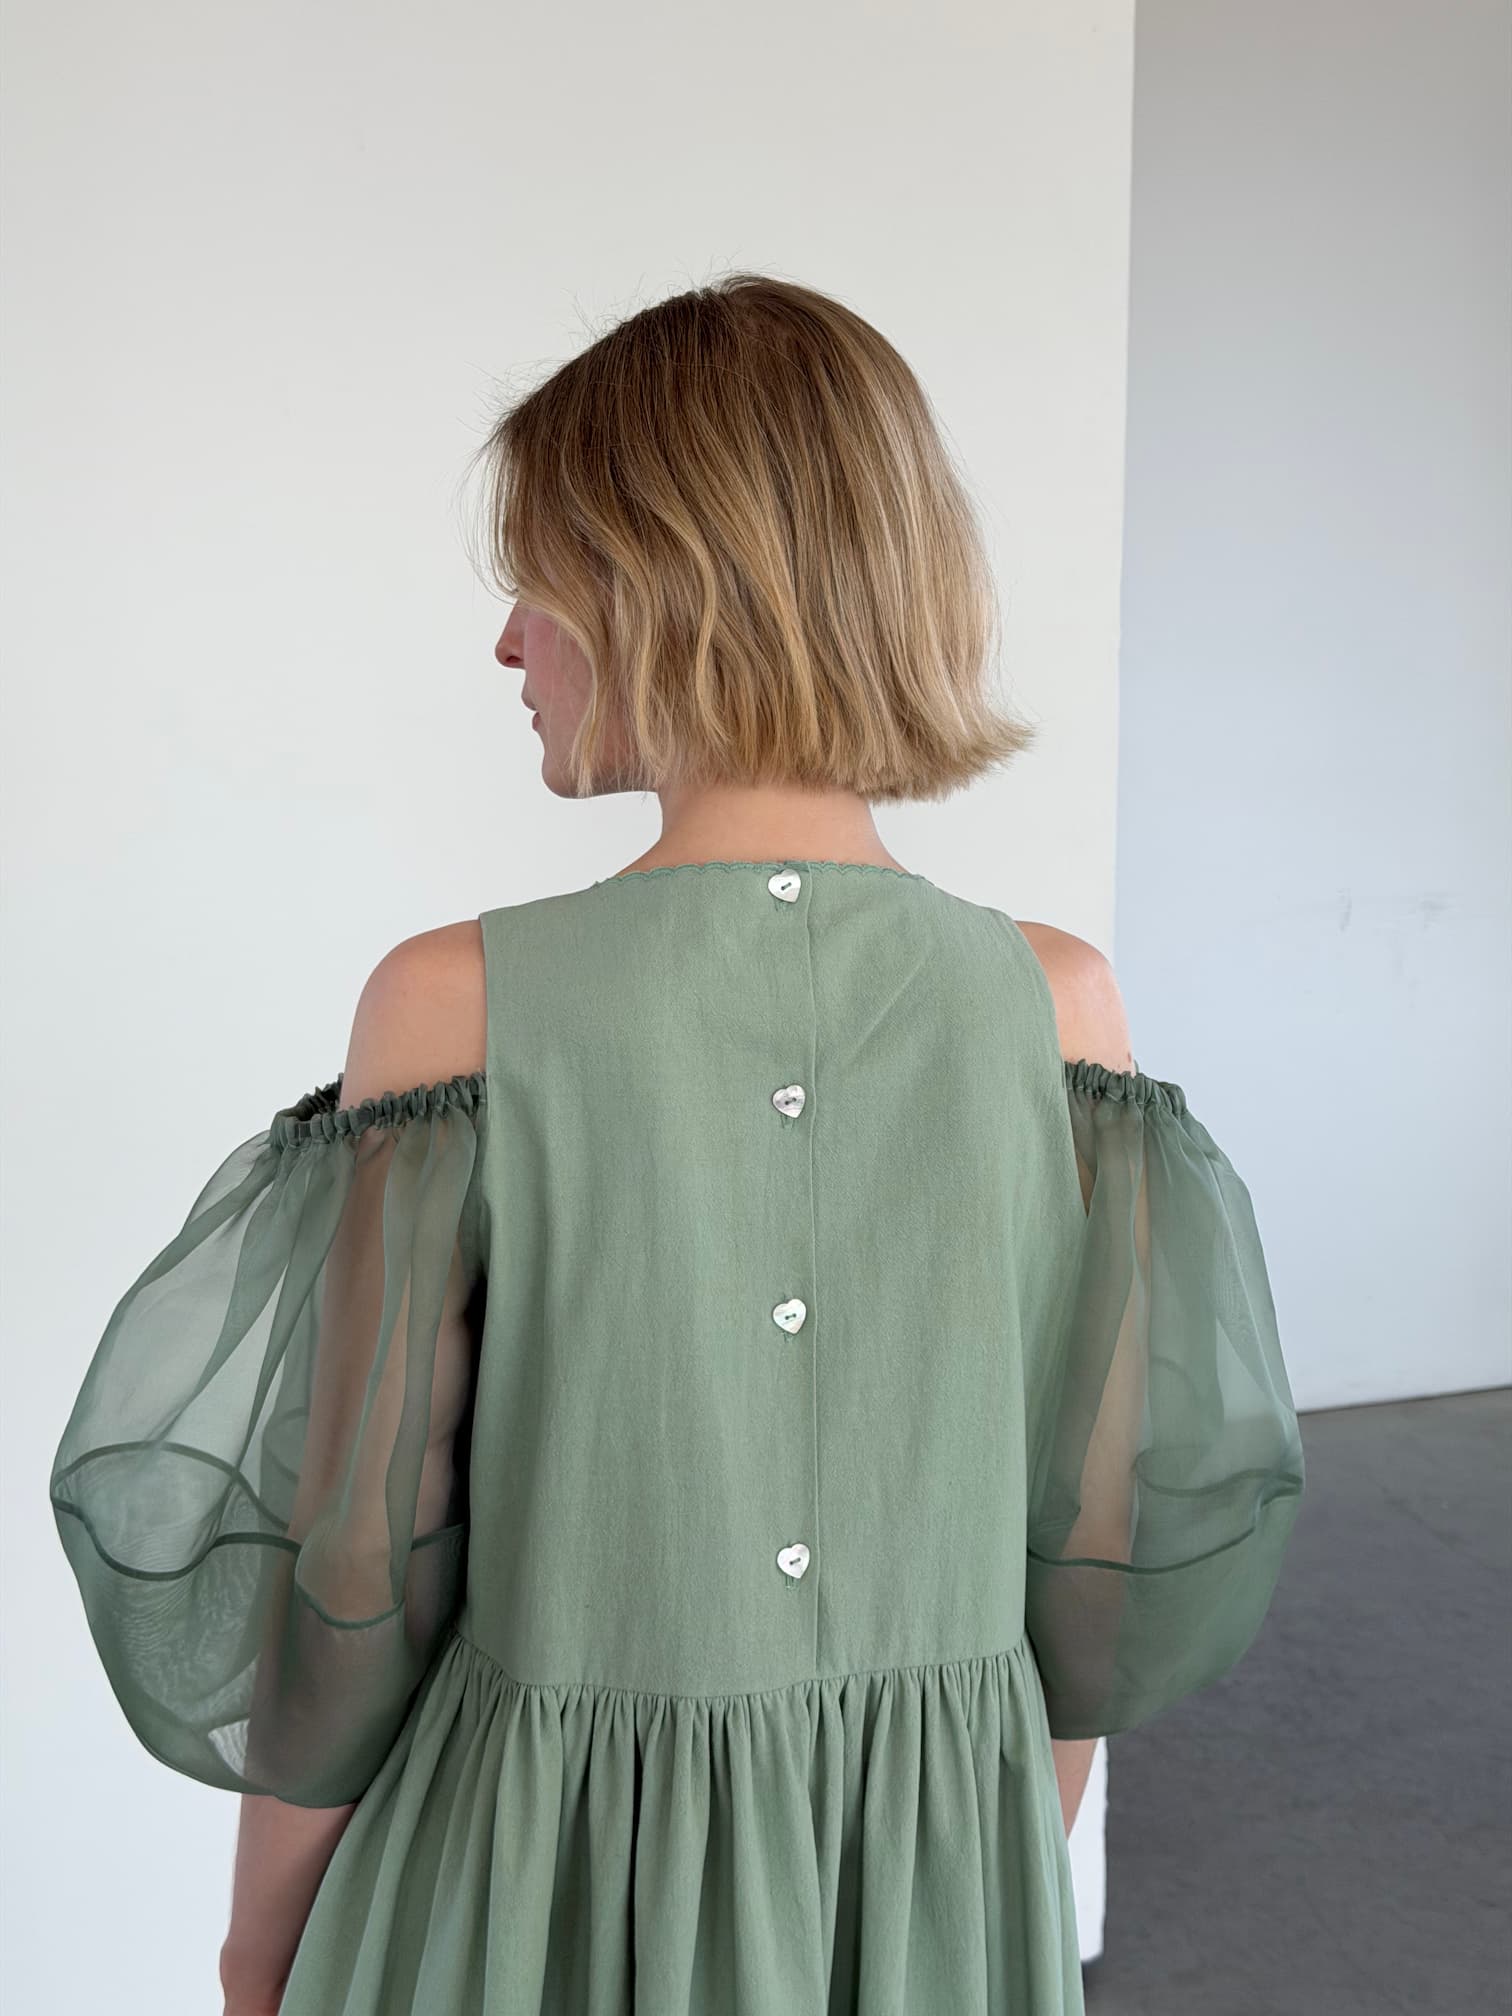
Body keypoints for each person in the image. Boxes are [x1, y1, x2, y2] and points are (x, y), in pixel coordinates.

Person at [49, 273, 1305, 2016]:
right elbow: (1080, 1563)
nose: (508, 645)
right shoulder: (1060, 1011)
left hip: (529, 1885)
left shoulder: (453, 1008)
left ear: (662, 585)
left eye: (534, 583)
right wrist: (983, 1862)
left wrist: (260, 1947)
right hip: (936, 1875)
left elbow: (356, 1566)